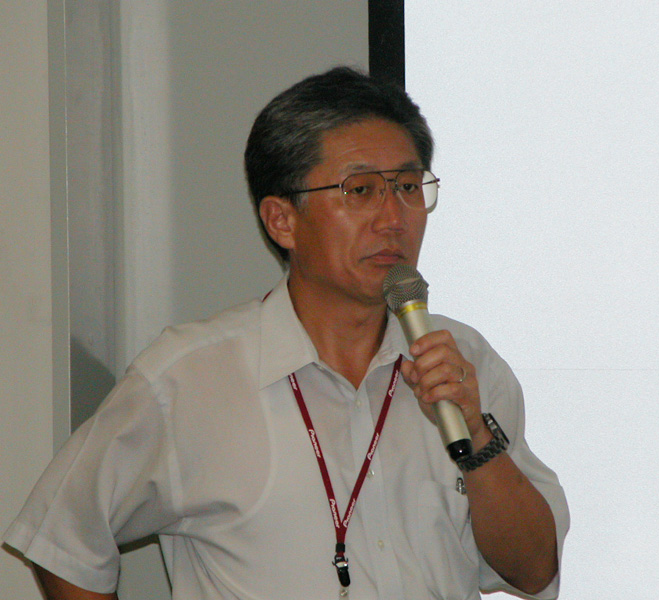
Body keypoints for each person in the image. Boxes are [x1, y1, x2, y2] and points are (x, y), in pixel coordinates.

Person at [3, 66, 569, 599]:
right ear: (282, 220)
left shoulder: (463, 363)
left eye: (407, 186)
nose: (394, 217)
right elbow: (61, 540)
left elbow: (533, 571)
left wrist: (476, 434)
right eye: (360, 190)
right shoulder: (190, 376)